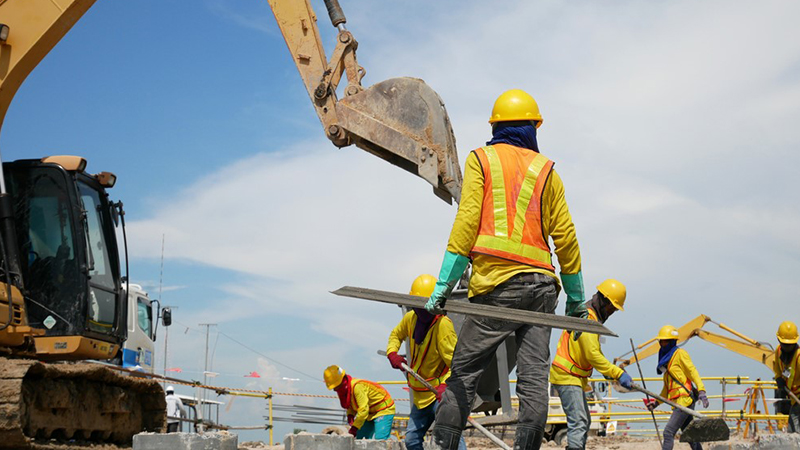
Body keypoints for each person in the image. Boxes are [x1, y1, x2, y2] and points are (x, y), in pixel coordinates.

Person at [425, 89, 588, 450]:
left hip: (496, 288)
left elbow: (466, 225)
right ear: (533, 127)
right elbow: (567, 239)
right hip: (542, 289)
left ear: (496, 126)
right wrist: (576, 300)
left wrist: (443, 284)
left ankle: (444, 446)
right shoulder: (547, 172)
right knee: (533, 378)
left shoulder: (481, 160)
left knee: (464, 373)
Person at [549, 279, 633, 450]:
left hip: (573, 377)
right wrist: (618, 373)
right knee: (579, 421)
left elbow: (594, 352)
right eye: (612, 308)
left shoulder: (590, 317)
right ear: (603, 300)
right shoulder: (588, 318)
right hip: (567, 376)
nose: (612, 312)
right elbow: (592, 355)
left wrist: (607, 373)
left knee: (583, 420)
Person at [386, 274, 466, 450]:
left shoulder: (442, 326)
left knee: (451, 438)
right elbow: (396, 335)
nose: (420, 310)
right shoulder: (410, 319)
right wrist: (392, 352)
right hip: (420, 395)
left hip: (439, 395)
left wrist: (446, 386)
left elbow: (457, 365)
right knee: (412, 441)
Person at [645, 325, 709, 450]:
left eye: (664, 341)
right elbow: (666, 389)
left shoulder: (680, 354)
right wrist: (655, 403)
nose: (662, 344)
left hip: (684, 401)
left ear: (672, 342)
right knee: (690, 435)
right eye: (661, 341)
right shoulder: (666, 361)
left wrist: (701, 391)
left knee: (668, 432)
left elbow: (692, 372)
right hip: (678, 403)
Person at [324, 365, 396, 440]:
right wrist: (350, 415)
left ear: (342, 381)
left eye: (336, 386)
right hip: (369, 412)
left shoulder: (357, 387)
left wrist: (354, 428)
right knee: (361, 438)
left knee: (381, 440)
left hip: (383, 409)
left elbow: (364, 409)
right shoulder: (346, 390)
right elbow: (351, 403)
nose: (335, 390)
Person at [772, 321, 800, 432]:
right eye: (785, 344)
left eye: (789, 345)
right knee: (792, 430)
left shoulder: (798, 357)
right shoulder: (778, 351)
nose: (787, 347)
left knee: (795, 431)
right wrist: (779, 379)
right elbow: (778, 369)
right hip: (794, 400)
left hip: (798, 399)